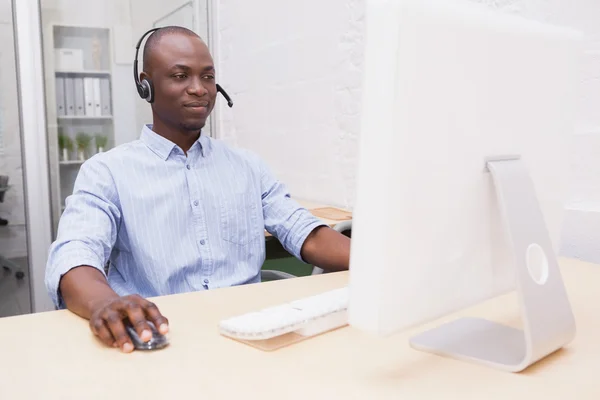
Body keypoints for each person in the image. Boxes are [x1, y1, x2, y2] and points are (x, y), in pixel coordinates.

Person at [44, 26, 351, 353]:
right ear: (146, 86)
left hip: (246, 335)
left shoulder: (246, 166)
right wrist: (104, 302)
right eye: (180, 76)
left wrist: (381, 266)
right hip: (160, 336)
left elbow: (306, 233)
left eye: (207, 77)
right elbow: (76, 253)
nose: (198, 89)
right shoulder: (107, 171)